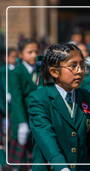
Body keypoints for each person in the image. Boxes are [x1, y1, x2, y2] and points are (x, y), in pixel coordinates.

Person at [27, 43, 90, 171]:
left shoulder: (86, 97)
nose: (80, 70)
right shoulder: (39, 98)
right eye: (73, 66)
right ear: (54, 72)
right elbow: (46, 136)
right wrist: (62, 167)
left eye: (82, 65)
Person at [8, 39, 39, 168]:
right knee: (21, 159)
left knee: (36, 154)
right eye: (29, 52)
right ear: (21, 54)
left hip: (37, 115)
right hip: (22, 116)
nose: (34, 55)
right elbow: (17, 98)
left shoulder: (41, 69)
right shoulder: (16, 72)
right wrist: (22, 123)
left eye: (36, 51)